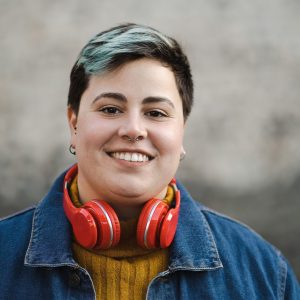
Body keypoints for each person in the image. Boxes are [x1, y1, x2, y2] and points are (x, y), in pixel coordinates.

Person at [0, 23, 299, 300]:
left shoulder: (266, 275)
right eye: (110, 109)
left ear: (181, 133)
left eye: (156, 113)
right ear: (74, 123)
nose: (133, 129)